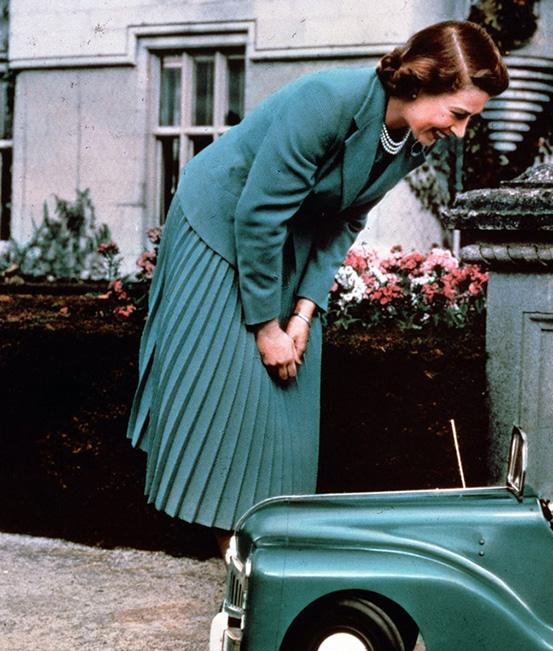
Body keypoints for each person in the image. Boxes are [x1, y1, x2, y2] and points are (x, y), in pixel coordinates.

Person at [127, 21, 508, 555]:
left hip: (288, 237)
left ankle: (270, 552)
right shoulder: (326, 101)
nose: (461, 132)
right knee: (235, 392)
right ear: (420, 83)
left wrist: (303, 313)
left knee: (288, 398)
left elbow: (345, 224)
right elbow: (258, 215)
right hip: (219, 226)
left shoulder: (412, 139)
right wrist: (265, 328)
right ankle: (240, 563)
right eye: (458, 114)